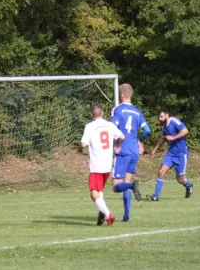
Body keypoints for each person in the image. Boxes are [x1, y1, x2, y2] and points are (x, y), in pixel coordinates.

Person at [111, 83, 151, 222]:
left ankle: (132, 186)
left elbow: (113, 128)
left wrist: (116, 144)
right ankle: (126, 215)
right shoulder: (137, 112)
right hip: (134, 150)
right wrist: (140, 140)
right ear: (131, 95)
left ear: (122, 95)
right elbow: (147, 131)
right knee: (127, 180)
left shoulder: (118, 110)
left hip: (123, 150)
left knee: (116, 185)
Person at [80, 103, 125, 226]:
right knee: (99, 190)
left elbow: (83, 144)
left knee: (93, 192)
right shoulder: (110, 125)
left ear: (91, 114)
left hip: (97, 165)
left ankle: (108, 214)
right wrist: (117, 145)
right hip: (107, 164)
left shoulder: (90, 126)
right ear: (103, 113)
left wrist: (79, 149)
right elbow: (122, 136)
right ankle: (102, 213)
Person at [147, 107, 193, 201]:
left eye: (161, 116)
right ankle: (156, 196)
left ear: (167, 115)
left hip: (181, 153)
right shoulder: (164, 126)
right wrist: (155, 149)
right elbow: (163, 139)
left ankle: (189, 185)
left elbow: (185, 131)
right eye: (159, 117)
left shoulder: (174, 121)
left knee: (180, 179)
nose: (159, 119)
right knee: (161, 172)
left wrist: (174, 137)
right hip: (171, 153)